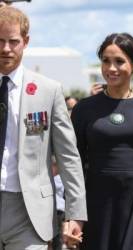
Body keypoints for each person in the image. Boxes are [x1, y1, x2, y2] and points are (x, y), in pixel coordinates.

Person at [0, 6, 87, 249]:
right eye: (0, 41)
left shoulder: (48, 91)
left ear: (25, 42)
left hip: (29, 213)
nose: (6, 49)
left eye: (13, 41)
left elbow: (68, 155)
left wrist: (75, 212)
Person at [71, 33, 133, 250]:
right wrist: (73, 215)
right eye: (106, 61)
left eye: (119, 61)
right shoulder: (84, 108)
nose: (111, 68)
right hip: (97, 203)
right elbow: (73, 163)